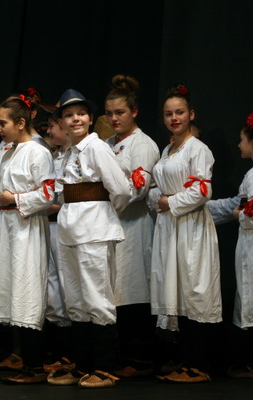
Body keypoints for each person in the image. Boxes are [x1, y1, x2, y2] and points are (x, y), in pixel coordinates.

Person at [47, 89, 131, 388]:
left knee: (97, 297)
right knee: (76, 300)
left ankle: (105, 367)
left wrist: (103, 213)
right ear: (62, 122)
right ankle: (83, 365)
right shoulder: (70, 152)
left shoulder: (96, 148)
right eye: (69, 115)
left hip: (94, 231)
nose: (76, 119)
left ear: (91, 118)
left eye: (81, 113)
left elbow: (121, 190)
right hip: (70, 230)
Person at [150, 84, 221, 383]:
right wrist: (157, 198)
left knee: (194, 289)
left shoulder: (198, 149)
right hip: (169, 226)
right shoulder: (168, 149)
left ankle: (199, 364)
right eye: (169, 114)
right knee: (176, 289)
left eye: (179, 112)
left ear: (191, 114)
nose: (174, 118)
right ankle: (185, 360)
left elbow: (203, 190)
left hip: (191, 226)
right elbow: (158, 187)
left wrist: (170, 202)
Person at [0, 97, 55, 384]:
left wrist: (15, 199)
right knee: (12, 290)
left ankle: (35, 365)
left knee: (27, 290)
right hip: (7, 227)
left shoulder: (37, 152)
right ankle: (24, 360)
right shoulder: (7, 151)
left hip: (26, 227)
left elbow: (48, 193)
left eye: (2, 123)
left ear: (20, 123)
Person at [104, 75, 160, 378]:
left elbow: (137, 189)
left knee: (132, 289)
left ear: (134, 112)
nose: (114, 119)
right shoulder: (107, 144)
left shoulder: (143, 144)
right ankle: (120, 353)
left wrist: (105, 198)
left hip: (133, 225)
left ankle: (140, 358)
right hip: (110, 225)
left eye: (120, 112)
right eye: (109, 113)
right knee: (114, 290)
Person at [42, 113, 74, 374]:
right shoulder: (54, 157)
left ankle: (71, 352)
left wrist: (53, 206)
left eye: (52, 126)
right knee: (53, 289)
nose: (49, 132)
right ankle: (59, 350)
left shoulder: (75, 156)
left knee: (66, 286)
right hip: (50, 227)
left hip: (66, 226)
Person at [226, 113, 253, 378]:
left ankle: (246, 362)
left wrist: (239, 214)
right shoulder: (250, 175)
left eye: (242, 140)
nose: (238, 145)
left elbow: (247, 212)